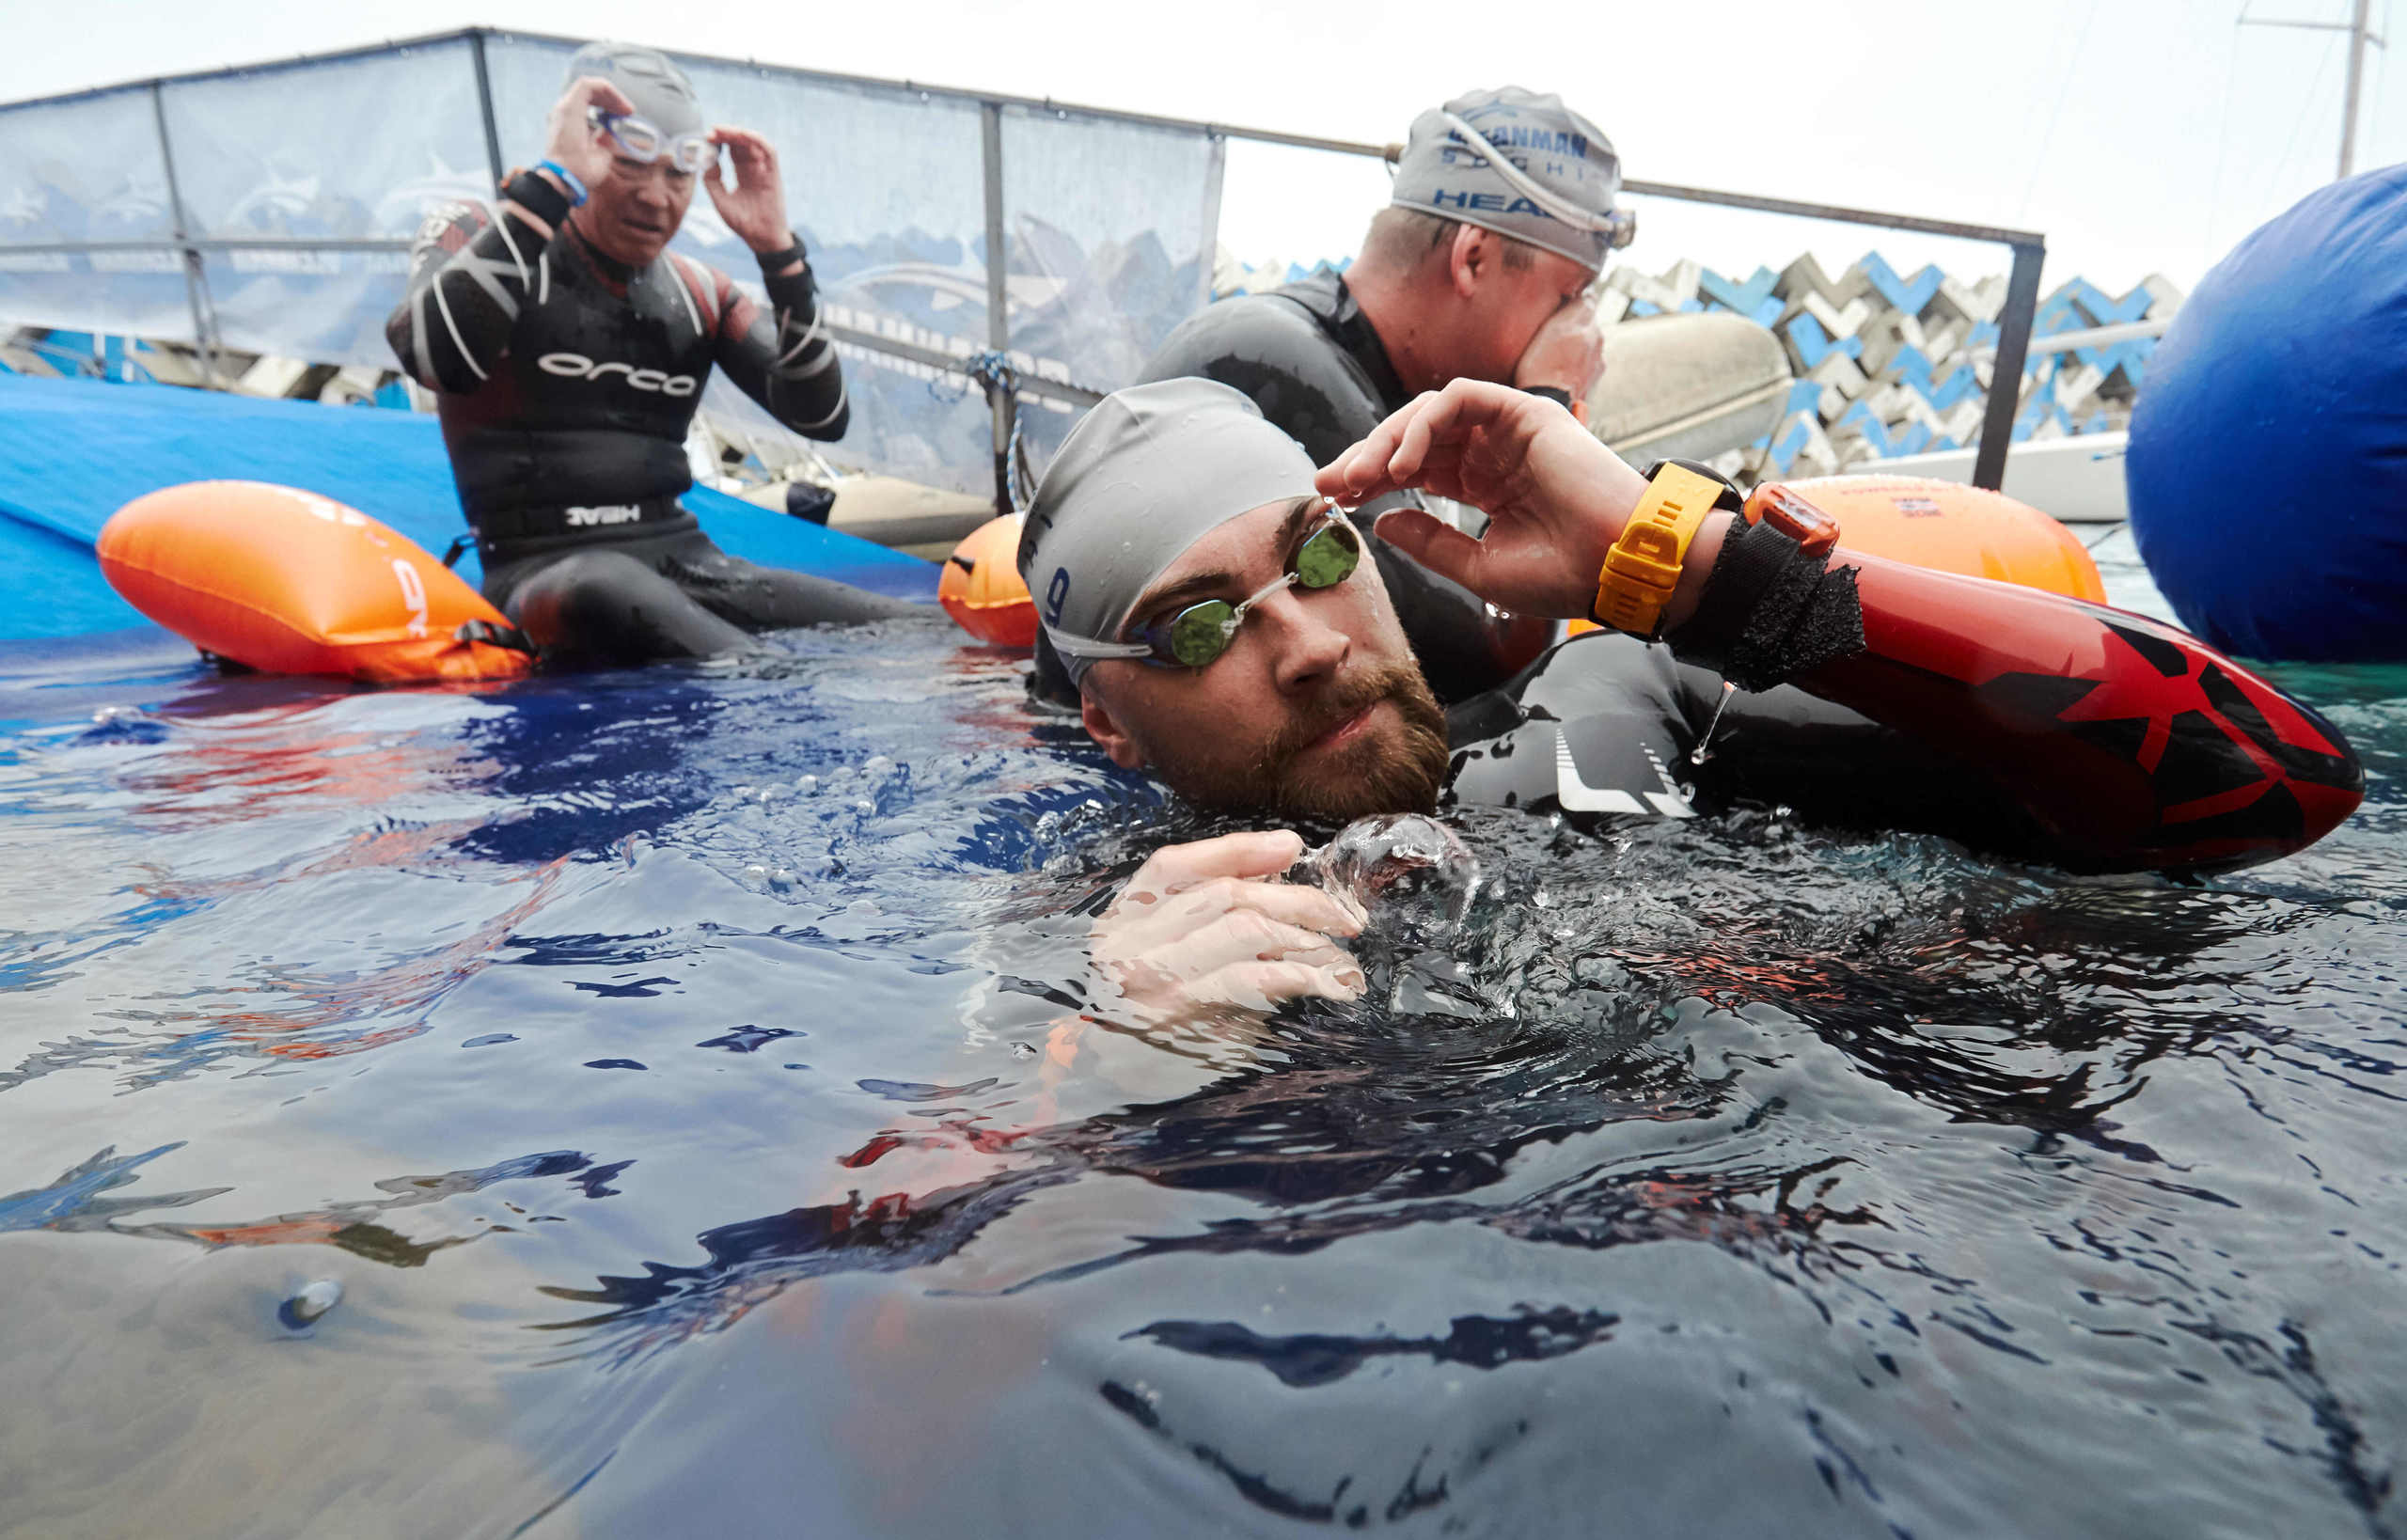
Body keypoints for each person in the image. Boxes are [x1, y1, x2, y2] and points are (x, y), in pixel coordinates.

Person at [1017, 378, 2366, 1020]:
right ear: (1109, 726)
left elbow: (2276, 779)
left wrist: (1708, 574)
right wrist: (1127, 1077)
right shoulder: (1087, 949)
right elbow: (910, 1369)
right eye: (1194, 628)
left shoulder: (1626, 696)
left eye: (1320, 553)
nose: (1306, 643)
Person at [386, 41, 920, 667]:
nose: (656, 196)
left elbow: (822, 416)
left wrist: (779, 253)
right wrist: (550, 184)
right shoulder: (485, 231)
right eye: (630, 163)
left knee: (908, 628)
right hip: (542, 574)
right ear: (580, 148)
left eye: (677, 173)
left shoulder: (699, 292)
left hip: (687, 563)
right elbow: (433, 356)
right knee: (606, 591)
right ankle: (771, 685)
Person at [1118, 87, 1628, 706]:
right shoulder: (1273, 361)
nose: (1581, 332)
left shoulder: (1323, 352)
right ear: (1472, 258)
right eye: (1569, 297)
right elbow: (1483, 662)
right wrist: (1550, 401)